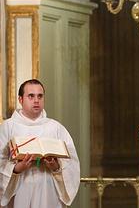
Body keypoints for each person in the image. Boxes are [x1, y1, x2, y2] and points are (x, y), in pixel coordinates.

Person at [0, 79, 80, 207]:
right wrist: (16, 169)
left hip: (48, 191)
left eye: (40, 96)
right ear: (20, 99)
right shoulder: (8, 127)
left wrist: (55, 166)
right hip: (19, 191)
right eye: (31, 96)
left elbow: (72, 164)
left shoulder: (56, 128)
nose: (36, 100)